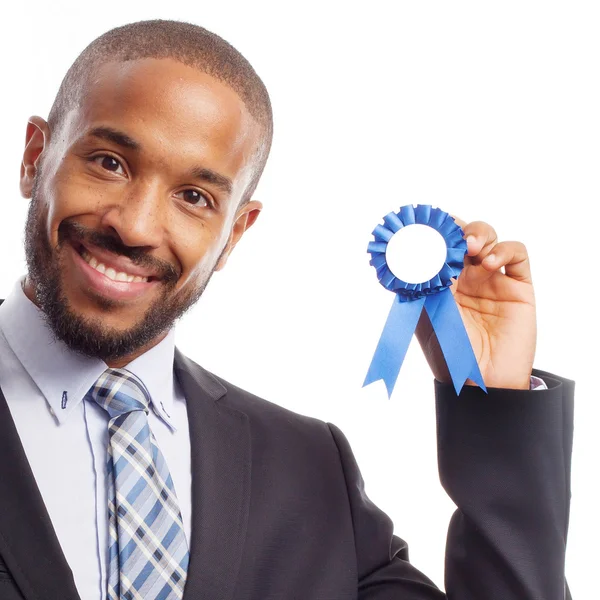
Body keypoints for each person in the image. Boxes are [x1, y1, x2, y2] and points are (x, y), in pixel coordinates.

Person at [0, 19, 573, 600]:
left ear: (234, 235)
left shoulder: (311, 472)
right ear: (34, 158)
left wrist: (495, 406)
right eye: (108, 163)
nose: (136, 226)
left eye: (194, 198)